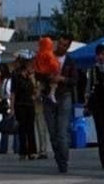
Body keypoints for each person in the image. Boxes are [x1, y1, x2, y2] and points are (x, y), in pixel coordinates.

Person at [39, 34, 78, 174]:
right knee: (53, 132)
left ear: (68, 47)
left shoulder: (70, 61)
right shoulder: (48, 56)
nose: (60, 46)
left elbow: (75, 80)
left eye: (63, 45)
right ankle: (59, 157)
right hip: (48, 97)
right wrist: (47, 76)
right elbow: (38, 73)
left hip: (64, 96)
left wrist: (62, 79)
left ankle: (64, 161)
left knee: (62, 132)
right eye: (59, 43)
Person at [11, 57, 37, 160]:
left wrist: (32, 78)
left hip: (30, 105)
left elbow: (36, 90)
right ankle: (22, 152)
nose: (32, 68)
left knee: (30, 128)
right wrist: (12, 108)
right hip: (20, 105)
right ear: (26, 66)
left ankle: (32, 151)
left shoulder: (32, 77)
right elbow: (13, 93)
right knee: (21, 129)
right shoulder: (16, 76)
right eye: (31, 66)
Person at [33, 37, 60, 104]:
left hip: (40, 73)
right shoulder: (49, 53)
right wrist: (56, 69)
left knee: (42, 83)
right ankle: (51, 93)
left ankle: (38, 93)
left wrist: (37, 70)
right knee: (54, 81)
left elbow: (36, 63)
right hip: (48, 72)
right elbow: (54, 64)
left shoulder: (39, 53)